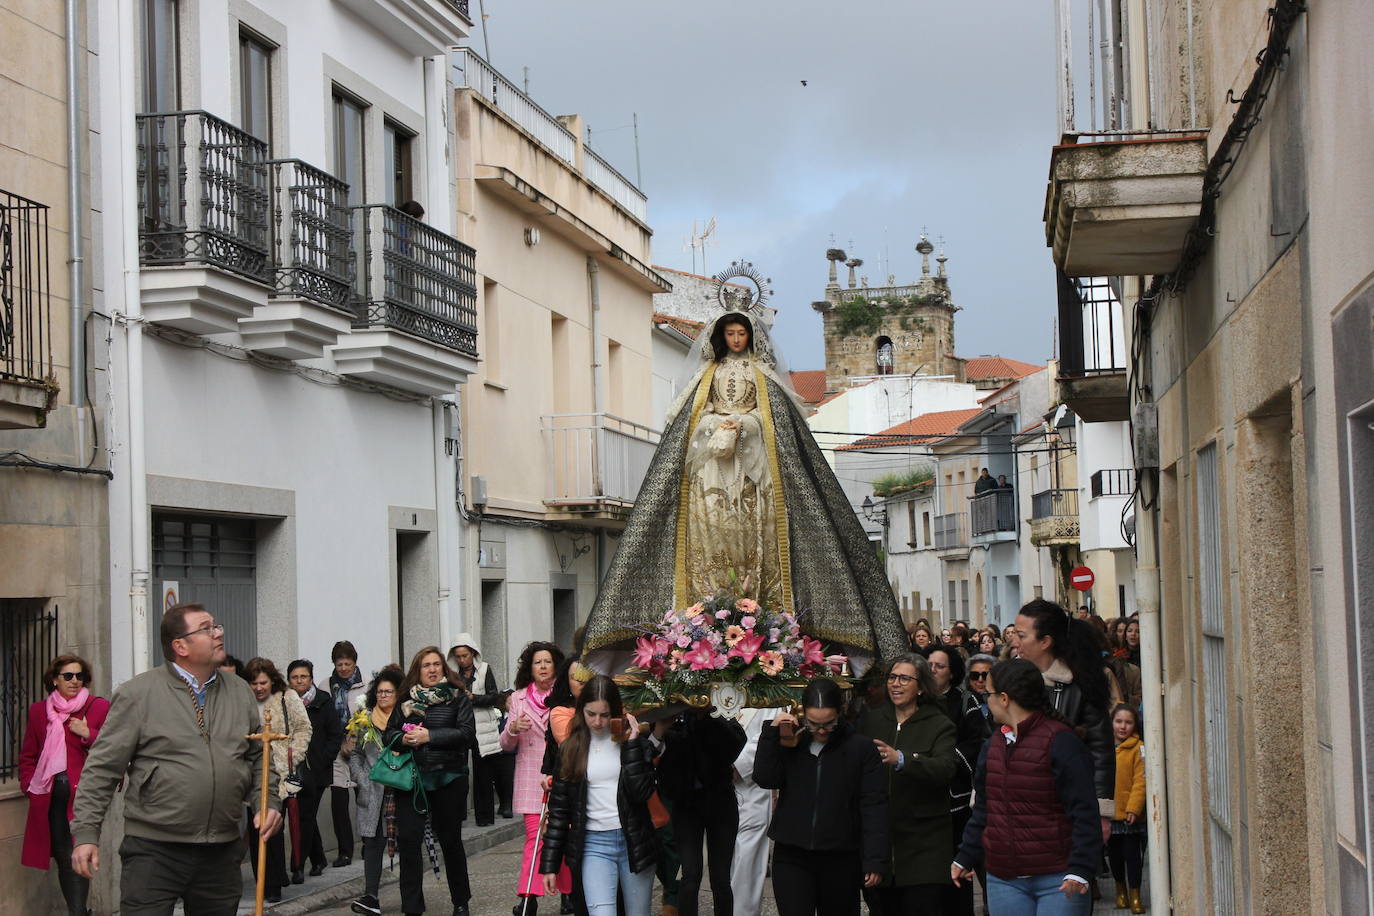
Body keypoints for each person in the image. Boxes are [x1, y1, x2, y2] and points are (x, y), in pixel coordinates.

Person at [583, 306, 908, 668]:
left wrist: (745, 424)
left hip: (755, 472)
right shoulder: (707, 376)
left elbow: (774, 419)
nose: (736, 340)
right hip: (710, 470)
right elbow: (691, 416)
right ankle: (704, 617)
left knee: (759, 534)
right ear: (720, 338)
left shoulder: (762, 375)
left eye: (741, 334)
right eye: (730, 334)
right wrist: (714, 424)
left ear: (751, 336)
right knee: (710, 532)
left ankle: (763, 620)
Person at [70, 604, 282, 913]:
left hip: (221, 851)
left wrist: (268, 801)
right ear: (180, 646)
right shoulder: (138, 694)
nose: (218, 633)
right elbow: (102, 768)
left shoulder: (239, 691)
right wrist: (87, 834)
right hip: (154, 850)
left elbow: (259, 758)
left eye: (216, 626)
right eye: (206, 628)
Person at [952, 658, 1102, 915]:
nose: (986, 701)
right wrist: (965, 855)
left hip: (1058, 878)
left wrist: (1081, 868)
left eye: (989, 694)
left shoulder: (1062, 742)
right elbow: (985, 809)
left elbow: (1085, 812)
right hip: (1004, 878)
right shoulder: (993, 746)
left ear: (1005, 698)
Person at [754, 679, 888, 916]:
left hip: (841, 857)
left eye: (829, 723)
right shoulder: (791, 743)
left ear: (841, 712)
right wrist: (772, 732)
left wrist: (874, 859)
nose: (822, 730)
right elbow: (765, 778)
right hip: (792, 854)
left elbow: (874, 805)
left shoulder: (861, 748)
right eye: (814, 724)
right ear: (802, 714)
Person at [539, 676, 657, 916]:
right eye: (591, 713)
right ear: (581, 710)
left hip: (633, 840)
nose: (597, 721)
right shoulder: (571, 747)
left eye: (604, 714)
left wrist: (633, 744)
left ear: (615, 711)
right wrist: (550, 865)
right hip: (593, 843)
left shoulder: (633, 744)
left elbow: (641, 793)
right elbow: (560, 809)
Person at [858, 654, 956, 916]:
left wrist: (902, 759)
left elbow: (945, 768)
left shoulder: (939, 725)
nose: (895, 684)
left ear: (921, 686)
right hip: (881, 846)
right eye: (892, 677)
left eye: (904, 678)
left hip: (924, 847)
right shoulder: (873, 720)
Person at [1012, 599, 1116, 842]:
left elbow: (1100, 750)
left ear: (1045, 641)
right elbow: (992, 741)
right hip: (1017, 808)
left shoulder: (1081, 685)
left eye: (1021, 635)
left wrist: (1101, 813)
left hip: (1066, 808)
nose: (1014, 642)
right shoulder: (1008, 680)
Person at [386, 645, 477, 916]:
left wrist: (430, 737)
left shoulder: (457, 697)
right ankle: (412, 907)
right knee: (410, 843)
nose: (433, 669)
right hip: (412, 780)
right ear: (418, 670)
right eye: (427, 665)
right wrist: (402, 739)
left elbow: (467, 734)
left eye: (437, 664)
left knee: (450, 841)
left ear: (444, 668)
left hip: (448, 778)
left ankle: (461, 901)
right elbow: (387, 734)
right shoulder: (405, 700)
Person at [19, 654, 109, 916]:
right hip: (50, 796)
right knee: (62, 855)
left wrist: (88, 734)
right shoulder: (39, 712)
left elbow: (115, 747)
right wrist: (28, 784)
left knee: (77, 852)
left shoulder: (98, 707)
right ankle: (78, 910)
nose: (74, 681)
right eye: (68, 676)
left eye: (79, 676)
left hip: (82, 796)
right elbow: (28, 756)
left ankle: (79, 911)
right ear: (55, 680)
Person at [501, 641, 571, 916]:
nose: (542, 667)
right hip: (531, 778)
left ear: (556, 666)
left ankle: (567, 895)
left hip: (561, 773)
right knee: (535, 839)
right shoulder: (517, 699)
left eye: (547, 662)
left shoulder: (566, 696)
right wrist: (513, 729)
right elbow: (505, 744)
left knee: (563, 836)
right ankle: (529, 896)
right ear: (529, 669)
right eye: (537, 662)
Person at [655, 706, 746, 916]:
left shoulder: (720, 714)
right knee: (690, 875)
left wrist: (708, 716)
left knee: (721, 878)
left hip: (721, 801)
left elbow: (736, 742)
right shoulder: (675, 719)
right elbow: (664, 761)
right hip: (686, 804)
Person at [927, 647, 991, 916]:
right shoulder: (915, 701)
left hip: (956, 801)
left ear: (952, 672)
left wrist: (943, 760)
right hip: (923, 799)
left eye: (939, 666)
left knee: (958, 868)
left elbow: (976, 744)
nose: (932, 670)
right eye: (928, 665)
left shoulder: (966, 702)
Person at [245, 656, 311, 901]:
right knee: (254, 829)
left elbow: (304, 728)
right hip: (251, 774)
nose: (259, 688)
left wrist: (294, 755)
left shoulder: (287, 697)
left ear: (272, 680)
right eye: (254, 684)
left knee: (272, 827)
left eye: (263, 682)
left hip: (280, 773)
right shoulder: (244, 702)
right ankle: (263, 881)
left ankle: (273, 884)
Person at [347, 666, 405, 916]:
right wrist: (361, 778)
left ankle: (411, 896)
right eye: (379, 691)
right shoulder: (364, 719)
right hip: (372, 792)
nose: (383, 696)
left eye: (388, 691)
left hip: (399, 789)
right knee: (371, 843)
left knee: (408, 843)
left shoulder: (406, 719)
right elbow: (355, 755)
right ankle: (371, 896)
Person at [289, 658, 344, 882]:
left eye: (303, 676)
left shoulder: (323, 701)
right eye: (294, 677)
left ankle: (298, 865)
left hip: (317, 769)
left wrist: (323, 760)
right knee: (305, 815)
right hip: (293, 768)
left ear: (311, 679)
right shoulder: (285, 701)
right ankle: (319, 858)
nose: (299, 681)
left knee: (305, 815)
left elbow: (334, 734)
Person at [449, 634, 510, 827]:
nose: (462, 660)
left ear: (473, 653)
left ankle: (484, 818)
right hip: (459, 726)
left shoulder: (484, 669)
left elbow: (494, 697)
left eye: (465, 655)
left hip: (482, 728)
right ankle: (458, 815)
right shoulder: (451, 673)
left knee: (483, 775)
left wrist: (473, 698)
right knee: (458, 772)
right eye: (458, 656)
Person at [730, 705, 786, 916]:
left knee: (748, 860)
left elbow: (771, 728)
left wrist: (736, 766)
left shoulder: (769, 686)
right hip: (713, 779)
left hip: (752, 783)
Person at [330, 640, 367, 868]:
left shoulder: (366, 686)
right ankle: (344, 851)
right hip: (337, 749)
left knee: (363, 798)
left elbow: (371, 717)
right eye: (339, 664)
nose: (343, 668)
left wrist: (355, 738)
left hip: (362, 749)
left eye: (347, 663)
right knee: (338, 799)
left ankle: (367, 842)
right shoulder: (328, 686)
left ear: (355, 662)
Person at [1108, 705, 1147, 914]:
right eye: (1119, 721)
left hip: (1130, 816)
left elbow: (1140, 782)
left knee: (1133, 856)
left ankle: (1135, 894)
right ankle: (1120, 890)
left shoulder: (1138, 748)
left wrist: (1133, 808)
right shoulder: (1104, 748)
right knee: (1114, 856)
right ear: (1112, 723)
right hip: (1110, 813)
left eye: (1128, 722)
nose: (1123, 726)